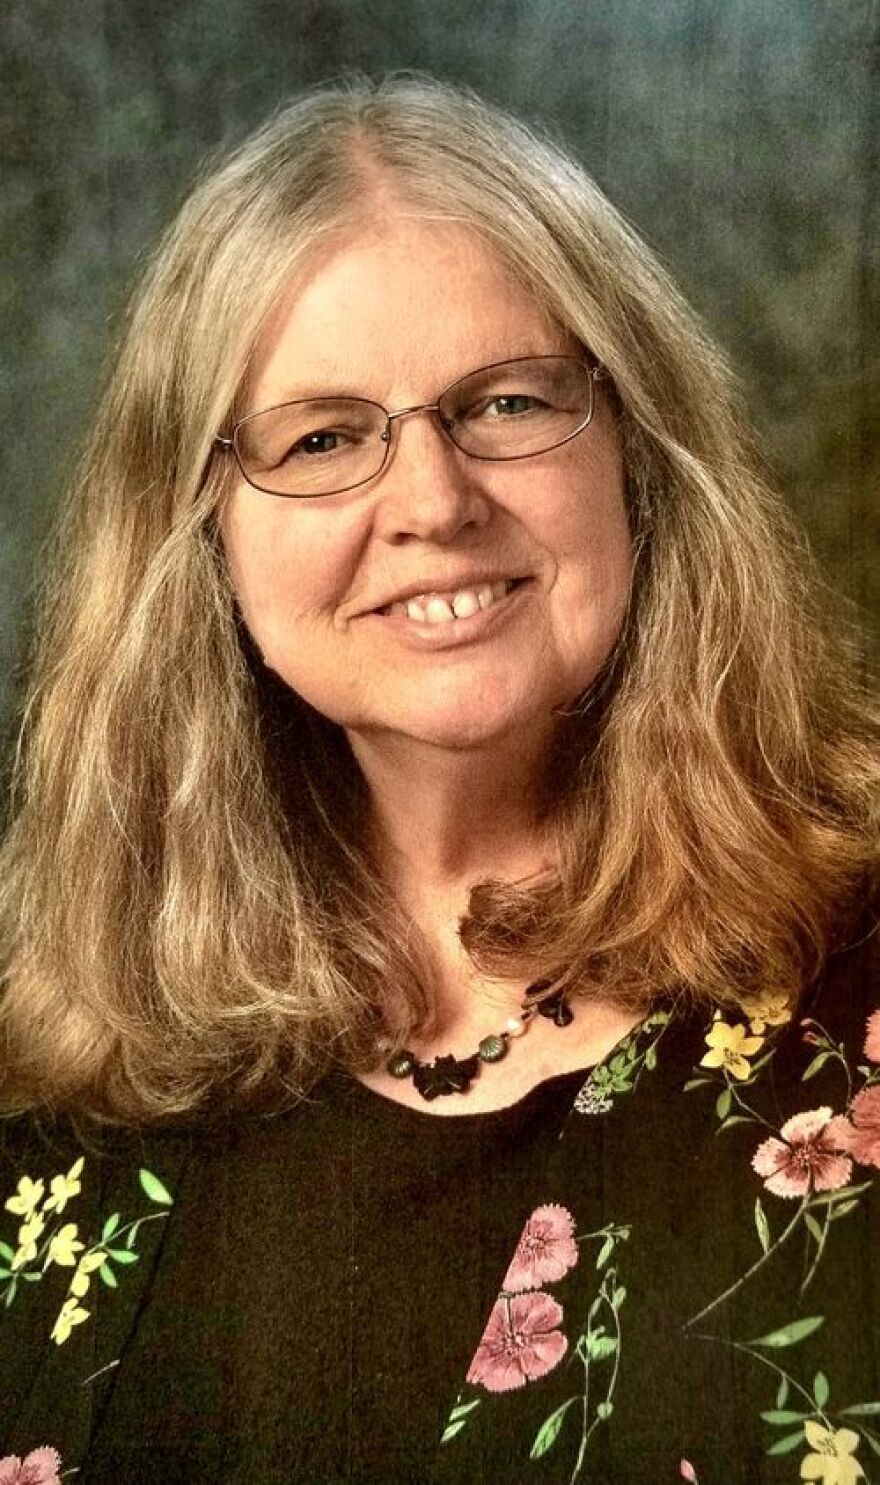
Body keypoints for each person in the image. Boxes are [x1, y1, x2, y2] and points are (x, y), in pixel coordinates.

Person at [0, 74, 877, 1485]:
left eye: (507, 401)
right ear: (200, 527)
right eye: (322, 437)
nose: (432, 501)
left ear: (637, 450)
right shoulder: (62, 1048)